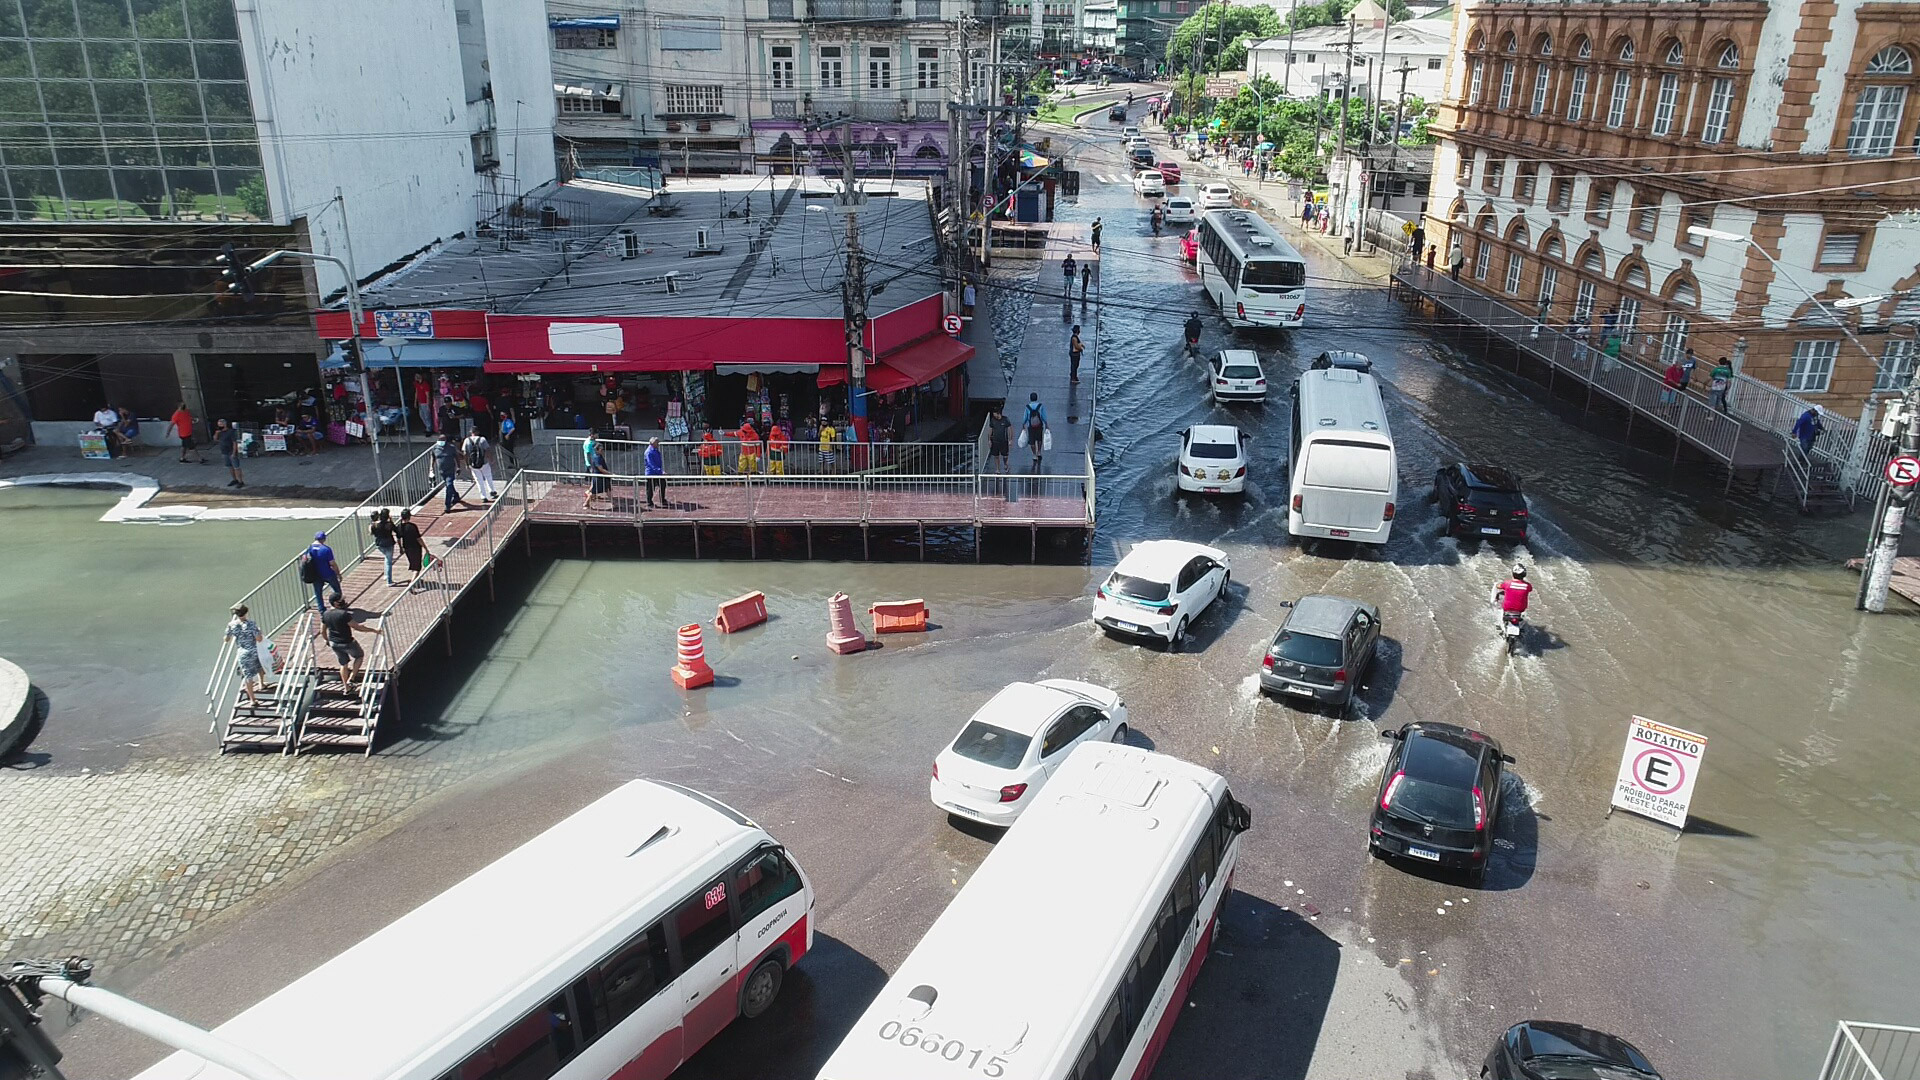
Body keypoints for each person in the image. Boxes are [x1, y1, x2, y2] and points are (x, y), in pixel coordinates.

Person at [320, 595, 382, 691]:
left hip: (334, 643)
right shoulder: (343, 614)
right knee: (359, 656)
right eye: (341, 600)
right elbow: (357, 627)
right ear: (335, 603)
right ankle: (351, 678)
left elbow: (322, 631)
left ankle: (346, 687)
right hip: (347, 642)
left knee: (343, 664)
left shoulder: (325, 614)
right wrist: (374, 630)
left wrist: (326, 640)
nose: (343, 601)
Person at [223, 604, 276, 707]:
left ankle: (252, 699)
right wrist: (259, 631)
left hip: (242, 653)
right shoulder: (251, 624)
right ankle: (261, 683)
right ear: (246, 613)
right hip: (254, 651)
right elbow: (259, 638)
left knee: (248, 676)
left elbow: (226, 639)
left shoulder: (231, 625)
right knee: (260, 665)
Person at [301, 531, 343, 613]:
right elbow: (332, 564)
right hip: (327, 573)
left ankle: (321, 609)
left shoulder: (309, 548)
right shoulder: (326, 549)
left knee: (318, 592)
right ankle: (339, 604)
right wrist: (338, 574)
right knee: (337, 589)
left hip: (315, 574)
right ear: (324, 539)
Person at [461, 428, 495, 502]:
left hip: (473, 464)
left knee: (479, 480)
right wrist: (491, 459)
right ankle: (492, 491)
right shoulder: (482, 439)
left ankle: (483, 496)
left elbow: (465, 453)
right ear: (478, 432)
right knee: (488, 476)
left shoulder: (467, 440)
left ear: (471, 432)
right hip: (484, 462)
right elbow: (487, 450)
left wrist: (467, 464)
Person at [434, 432, 465, 512]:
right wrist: (431, 468)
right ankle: (456, 495)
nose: (440, 441)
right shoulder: (435, 448)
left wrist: (458, 467)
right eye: (439, 440)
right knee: (449, 486)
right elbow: (433, 457)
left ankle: (447, 505)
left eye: (442, 440)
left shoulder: (451, 448)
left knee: (449, 485)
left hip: (450, 470)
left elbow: (457, 457)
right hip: (442, 471)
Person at [397, 508, 426, 589]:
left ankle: (415, 580)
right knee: (417, 567)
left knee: (413, 564)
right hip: (415, 548)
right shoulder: (412, 526)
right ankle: (411, 584)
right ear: (409, 517)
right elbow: (418, 538)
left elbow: (398, 539)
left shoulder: (399, 527)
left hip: (407, 548)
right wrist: (425, 548)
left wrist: (400, 548)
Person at [370, 507, 399, 585]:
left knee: (386, 558)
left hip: (379, 544)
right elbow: (396, 530)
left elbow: (371, 532)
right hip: (389, 544)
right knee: (389, 562)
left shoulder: (375, 524)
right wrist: (391, 521)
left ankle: (386, 575)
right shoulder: (389, 524)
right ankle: (389, 581)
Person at [583, 433, 611, 510]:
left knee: (608, 489)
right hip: (599, 477)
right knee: (594, 492)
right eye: (601, 449)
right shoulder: (596, 458)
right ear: (597, 450)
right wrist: (610, 474)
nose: (603, 451)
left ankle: (613, 504)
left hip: (602, 476)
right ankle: (586, 503)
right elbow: (600, 469)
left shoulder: (599, 456)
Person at [1022, 392, 1048, 471]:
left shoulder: (1027, 407)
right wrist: (1046, 424)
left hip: (1031, 426)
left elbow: (1025, 417)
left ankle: (1034, 454)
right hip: (1039, 425)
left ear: (1030, 398)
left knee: (1032, 441)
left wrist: (1023, 424)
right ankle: (1039, 451)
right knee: (1039, 439)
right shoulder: (1040, 406)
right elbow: (1044, 416)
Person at [215, 418, 243, 487]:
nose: (220, 426)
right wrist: (216, 433)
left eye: (221, 425)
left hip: (231, 451)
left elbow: (234, 442)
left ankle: (240, 481)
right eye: (218, 425)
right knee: (230, 467)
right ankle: (234, 479)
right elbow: (215, 440)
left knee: (236, 467)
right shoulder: (219, 432)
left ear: (225, 424)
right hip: (224, 452)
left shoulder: (230, 432)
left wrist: (234, 453)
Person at [644, 436, 667, 507]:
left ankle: (662, 499)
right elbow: (651, 464)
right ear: (653, 443)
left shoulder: (655, 450)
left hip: (657, 472)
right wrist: (660, 471)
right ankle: (649, 502)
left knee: (663, 484)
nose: (658, 444)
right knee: (650, 488)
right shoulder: (649, 452)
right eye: (657, 443)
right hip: (651, 473)